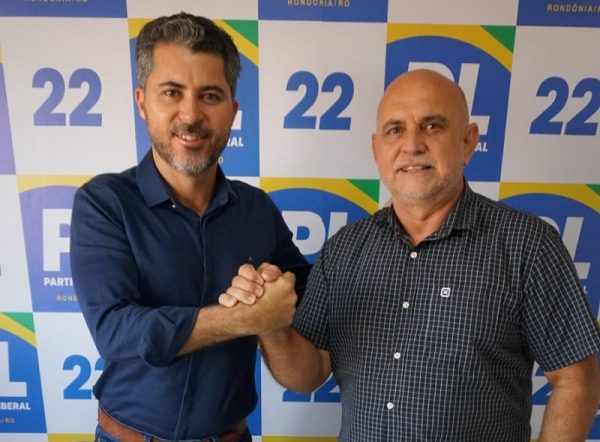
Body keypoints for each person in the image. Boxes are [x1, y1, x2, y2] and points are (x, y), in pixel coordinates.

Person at [221, 69, 600, 441]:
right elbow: (307, 374)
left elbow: (576, 380)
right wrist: (270, 324)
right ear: (377, 150)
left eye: (433, 126)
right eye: (395, 130)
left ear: (468, 141)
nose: (412, 145)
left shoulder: (527, 245)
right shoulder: (344, 249)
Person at [70, 12, 310, 442]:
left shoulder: (257, 209)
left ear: (233, 111)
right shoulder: (104, 203)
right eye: (171, 92)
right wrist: (241, 318)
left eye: (210, 95)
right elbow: (115, 331)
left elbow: (307, 297)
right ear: (142, 102)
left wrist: (276, 287)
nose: (191, 114)